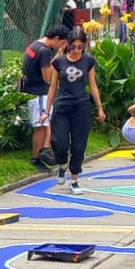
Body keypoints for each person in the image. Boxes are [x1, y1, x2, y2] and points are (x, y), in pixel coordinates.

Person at [43, 30, 106, 194]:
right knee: (60, 143)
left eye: (80, 47)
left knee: (79, 145)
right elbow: (52, 87)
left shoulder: (88, 61)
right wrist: (46, 110)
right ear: (67, 46)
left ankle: (74, 180)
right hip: (62, 106)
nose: (77, 51)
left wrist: (99, 107)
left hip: (81, 106)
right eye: (73, 47)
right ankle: (62, 165)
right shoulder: (59, 62)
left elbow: (92, 85)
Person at [22, 25, 70, 170]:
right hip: (39, 93)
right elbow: (47, 77)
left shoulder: (34, 45)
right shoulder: (44, 52)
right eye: (62, 43)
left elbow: (46, 67)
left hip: (31, 90)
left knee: (45, 123)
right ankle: (36, 158)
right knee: (41, 127)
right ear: (56, 38)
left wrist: (58, 55)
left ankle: (44, 150)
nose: (61, 46)